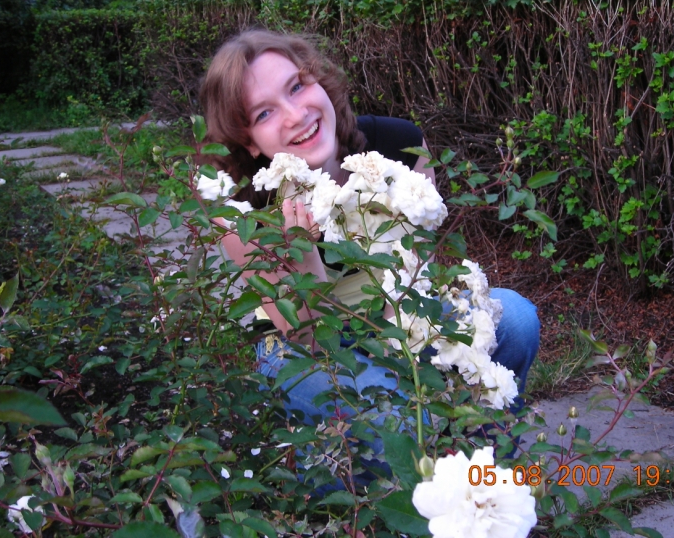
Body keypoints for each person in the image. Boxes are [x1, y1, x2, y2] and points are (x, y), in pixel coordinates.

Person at [199, 29, 539, 456]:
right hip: (302, 345)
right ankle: (342, 472)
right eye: (264, 113)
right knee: (397, 419)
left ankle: (486, 471)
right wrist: (302, 258)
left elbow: (419, 274)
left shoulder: (398, 145)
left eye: (297, 87)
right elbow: (308, 339)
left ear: (319, 81)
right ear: (248, 140)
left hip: (394, 313)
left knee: (516, 320)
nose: (295, 115)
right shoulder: (244, 209)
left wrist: (413, 348)